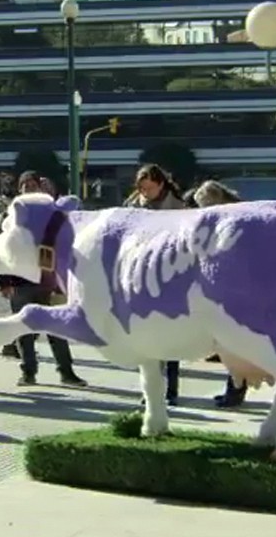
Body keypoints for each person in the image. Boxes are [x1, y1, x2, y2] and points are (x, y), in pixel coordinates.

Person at [0, 171, 87, 388]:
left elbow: (65, 236)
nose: (28, 187)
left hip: (50, 279)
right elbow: (2, 249)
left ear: (40, 187)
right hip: (20, 281)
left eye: (32, 183)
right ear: (19, 189)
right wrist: (4, 280)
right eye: (24, 184)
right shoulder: (11, 214)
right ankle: (28, 372)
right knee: (24, 329)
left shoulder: (51, 211)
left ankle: (66, 371)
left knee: (58, 328)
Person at [124, 164, 186, 405]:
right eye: (141, 188)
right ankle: (151, 390)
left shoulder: (178, 206)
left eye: (149, 188)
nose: (145, 193)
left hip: (171, 276)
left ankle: (171, 390)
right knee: (147, 337)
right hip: (141, 274)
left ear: (161, 184)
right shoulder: (133, 204)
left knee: (170, 339)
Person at [190, 180, 249, 408]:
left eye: (203, 206)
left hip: (234, 291)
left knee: (234, 344)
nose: (201, 211)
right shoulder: (238, 216)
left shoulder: (229, 222)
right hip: (234, 289)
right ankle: (235, 389)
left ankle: (235, 392)